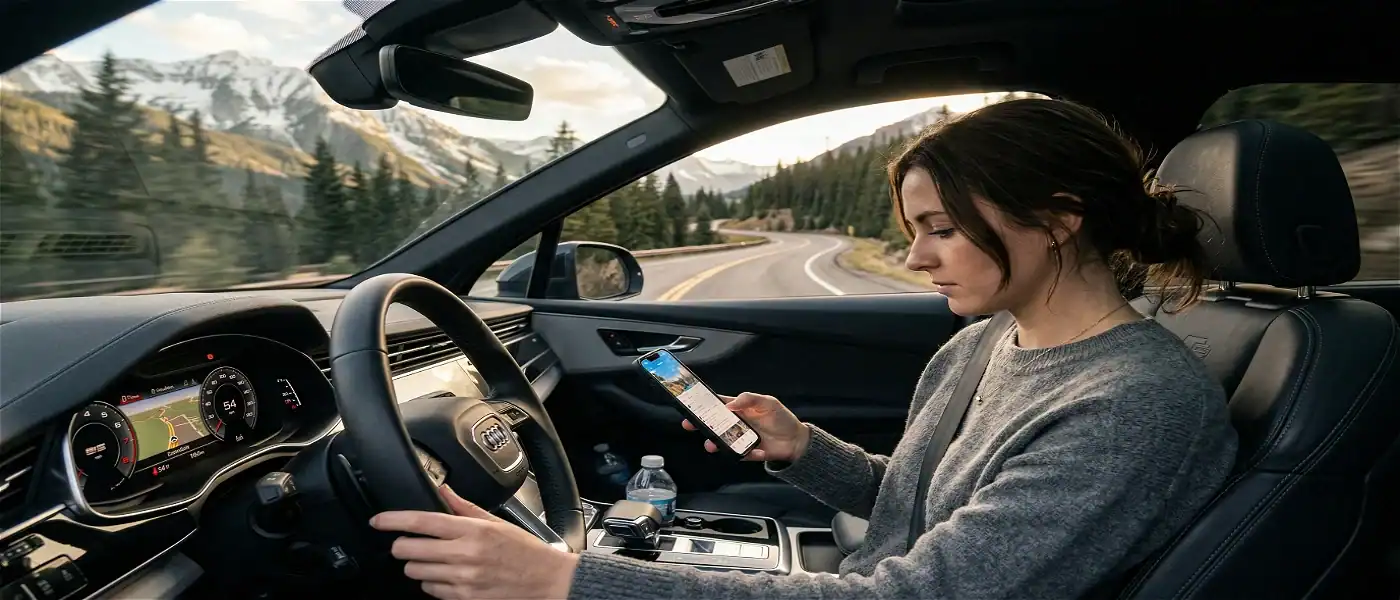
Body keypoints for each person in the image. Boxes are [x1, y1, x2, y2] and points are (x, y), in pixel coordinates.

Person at [369, 98, 1240, 599]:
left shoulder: (1130, 405)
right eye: (913, 229)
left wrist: (572, 583)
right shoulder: (988, 343)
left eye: (941, 229)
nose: (914, 257)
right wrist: (805, 453)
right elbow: (921, 507)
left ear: (1056, 219)